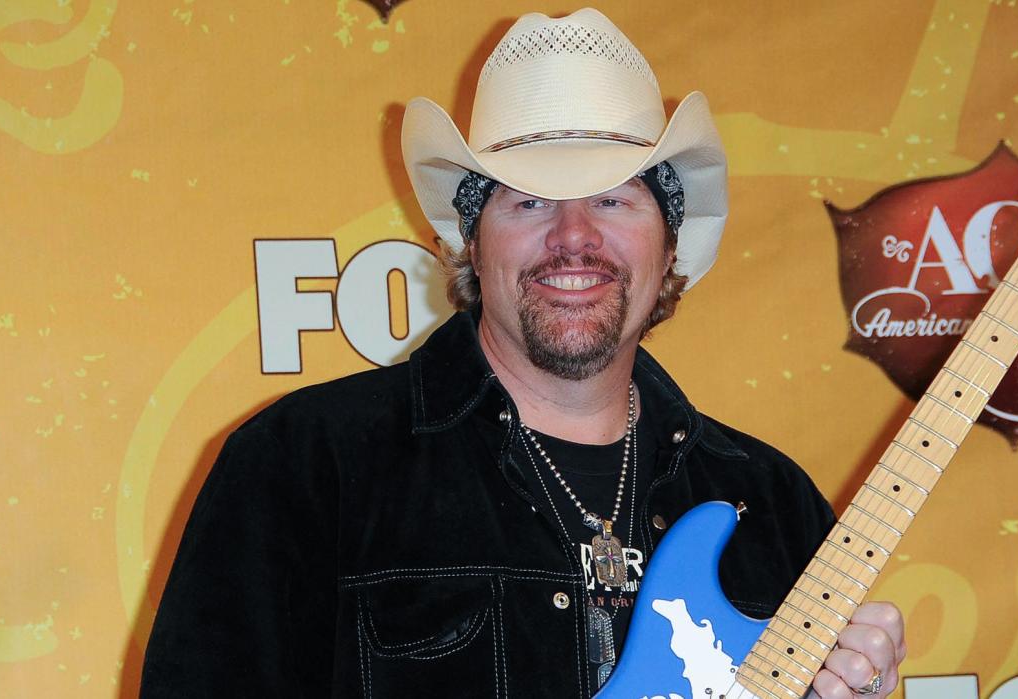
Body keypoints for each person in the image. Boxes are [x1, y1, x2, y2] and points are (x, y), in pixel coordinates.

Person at [141, 8, 905, 698]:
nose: (574, 236)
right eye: (528, 199)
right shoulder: (304, 466)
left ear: (667, 239)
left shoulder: (772, 504)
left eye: (614, 197)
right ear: (473, 239)